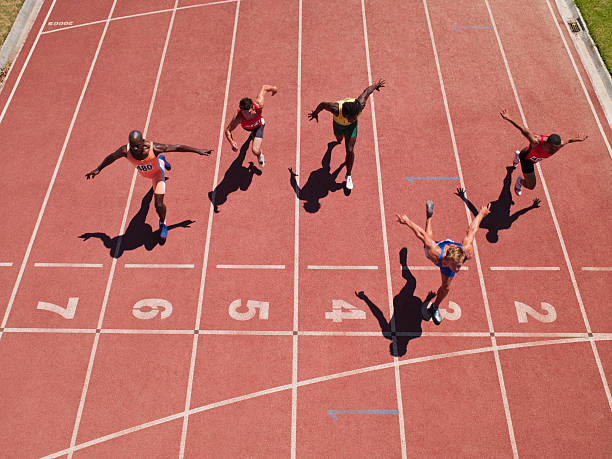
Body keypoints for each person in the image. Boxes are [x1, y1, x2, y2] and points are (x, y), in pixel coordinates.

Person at [85, 130, 211, 240]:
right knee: (143, 208)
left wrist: (198, 151)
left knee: (158, 204)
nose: (135, 149)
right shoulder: (125, 150)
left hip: (157, 174)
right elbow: (111, 157)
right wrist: (98, 169)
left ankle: (163, 223)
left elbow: (177, 147)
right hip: (145, 174)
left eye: (138, 146)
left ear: (143, 141)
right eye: (133, 146)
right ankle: (161, 159)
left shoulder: (154, 148)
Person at [396, 200, 490, 325]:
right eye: (456, 266)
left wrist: (481, 214)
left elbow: (472, 231)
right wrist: (407, 221)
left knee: (446, 287)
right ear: (448, 261)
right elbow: (422, 235)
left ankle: (435, 307)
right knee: (426, 246)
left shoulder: (466, 252)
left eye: (460, 265)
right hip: (440, 250)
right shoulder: (435, 253)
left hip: (452, 249)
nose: (458, 269)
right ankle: (429, 217)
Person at [307, 78, 385, 190]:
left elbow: (367, 91)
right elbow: (323, 105)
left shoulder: (360, 104)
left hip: (350, 129)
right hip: (338, 125)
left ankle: (348, 175)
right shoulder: (335, 109)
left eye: (355, 118)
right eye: (351, 118)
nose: (353, 119)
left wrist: (376, 85)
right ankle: (330, 147)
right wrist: (315, 113)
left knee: (349, 150)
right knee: (338, 140)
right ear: (345, 113)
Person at [500, 109, 588, 195]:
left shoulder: (559, 145)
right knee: (531, 186)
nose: (555, 150)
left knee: (531, 181)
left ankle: (517, 157)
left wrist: (578, 139)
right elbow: (524, 130)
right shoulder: (536, 142)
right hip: (527, 160)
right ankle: (520, 181)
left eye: (557, 147)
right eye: (554, 147)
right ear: (548, 143)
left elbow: (568, 140)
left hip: (534, 158)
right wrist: (509, 118)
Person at [225, 85, 278, 168]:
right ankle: (253, 137)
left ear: (253, 108)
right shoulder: (238, 117)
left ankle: (260, 155)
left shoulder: (259, 105)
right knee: (249, 142)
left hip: (259, 126)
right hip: (247, 128)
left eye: (248, 112)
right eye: (244, 113)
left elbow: (264, 88)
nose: (246, 115)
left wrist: (274, 89)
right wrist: (231, 142)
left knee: (255, 151)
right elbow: (227, 130)